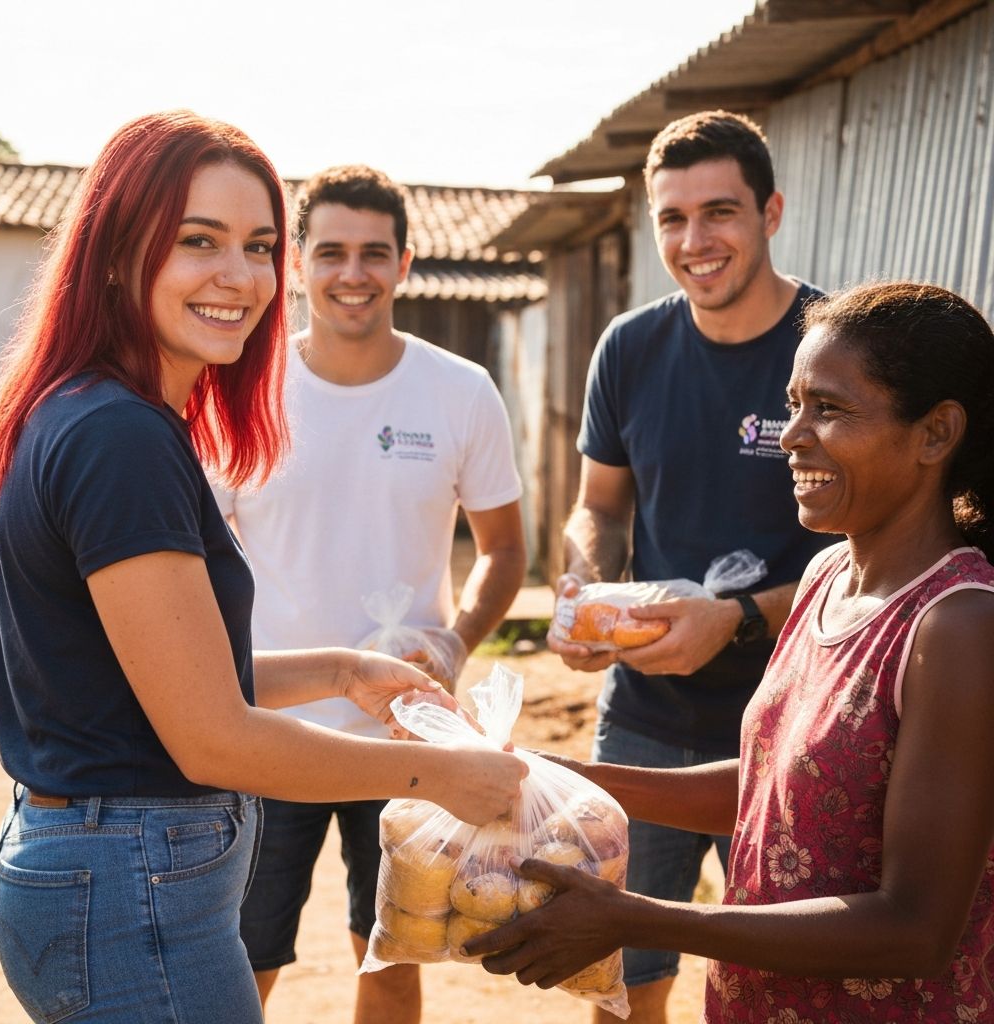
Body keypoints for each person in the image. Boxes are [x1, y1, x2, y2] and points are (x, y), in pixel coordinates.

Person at [0, 111, 526, 1024]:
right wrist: (441, 775)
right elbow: (212, 737)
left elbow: (166, 681)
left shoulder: (114, 416)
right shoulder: (119, 437)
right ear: (117, 253)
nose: (240, 276)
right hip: (130, 888)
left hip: (110, 870)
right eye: (199, 241)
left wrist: (346, 671)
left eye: (259, 245)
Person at [468, 280, 994, 1023]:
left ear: (936, 434)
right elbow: (777, 788)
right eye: (795, 402)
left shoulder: (957, 625)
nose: (791, 434)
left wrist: (638, 918)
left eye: (831, 408)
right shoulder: (825, 576)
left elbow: (916, 927)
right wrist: (561, 776)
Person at [213, 163, 526, 1022]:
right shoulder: (242, 391)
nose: (354, 273)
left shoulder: (460, 391)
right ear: (299, 263)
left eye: (374, 253)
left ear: (406, 262)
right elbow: (200, 565)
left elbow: (503, 550)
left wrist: (456, 642)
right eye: (332, 252)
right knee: (238, 955)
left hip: (407, 733)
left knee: (387, 948)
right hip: (265, 733)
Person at [546, 110, 831, 1021]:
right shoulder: (630, 347)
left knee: (799, 981)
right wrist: (588, 590)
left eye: (721, 213)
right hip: (647, 722)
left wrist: (738, 618)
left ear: (771, 212)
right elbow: (598, 505)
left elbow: (879, 560)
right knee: (621, 977)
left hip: (804, 724)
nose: (694, 241)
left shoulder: (835, 346)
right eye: (672, 218)